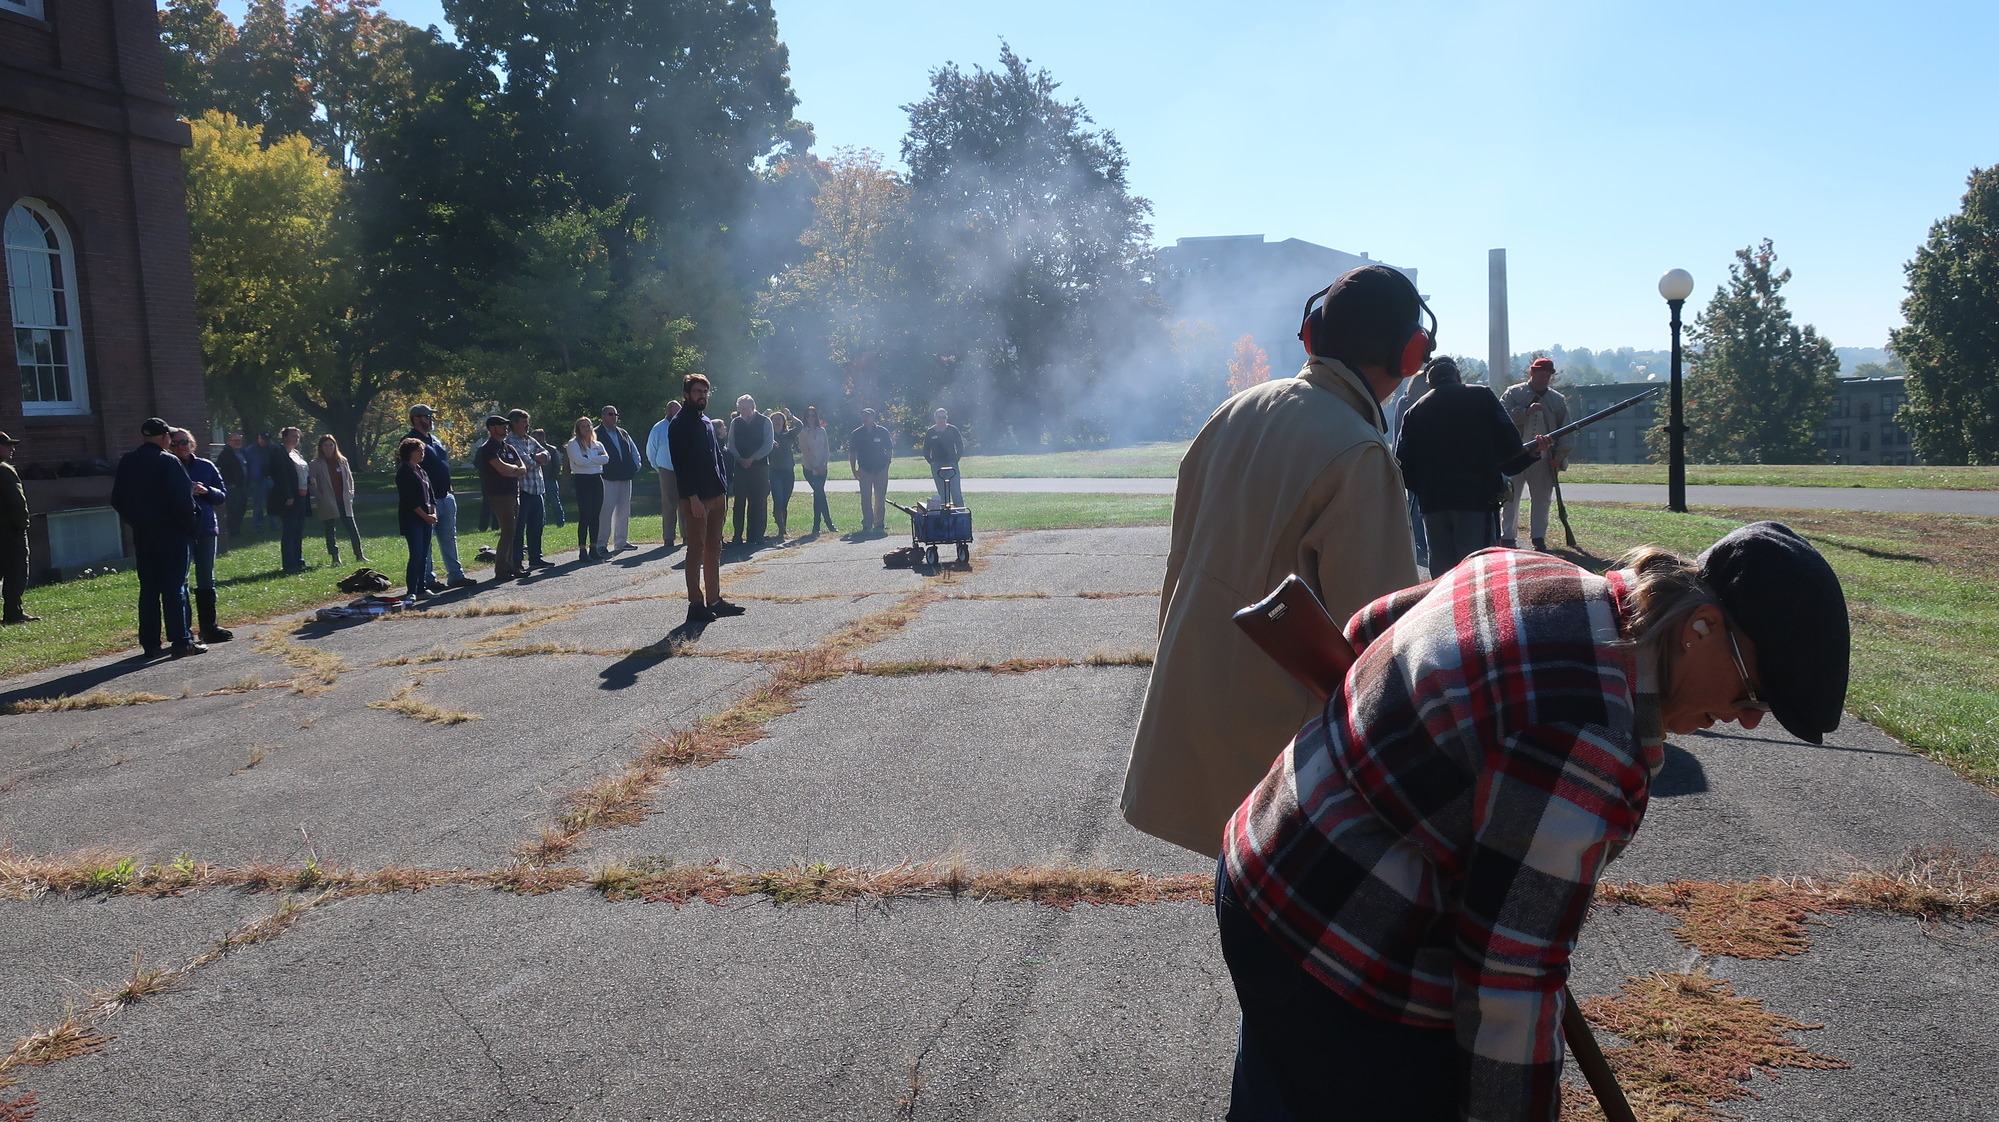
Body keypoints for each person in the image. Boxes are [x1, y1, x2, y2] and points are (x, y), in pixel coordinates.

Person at [1218, 523, 1849, 1121]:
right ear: (1701, 628)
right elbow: (1509, 976)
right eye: (1753, 694)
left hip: (1264, 854)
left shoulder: (1532, 571)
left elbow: (1365, 631)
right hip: (1332, 934)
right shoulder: (1594, 739)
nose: (1747, 720)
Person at [1123, 264, 1429, 858]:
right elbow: (1380, 638)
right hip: (1278, 751)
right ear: (1410, 352)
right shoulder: (1359, 453)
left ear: (1311, 336)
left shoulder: (1234, 411)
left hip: (1198, 709)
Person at [1396, 356, 1549, 573]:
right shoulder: (1481, 395)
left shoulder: (1414, 412)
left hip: (1433, 506)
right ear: (1457, 376)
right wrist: (1531, 453)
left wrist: (1425, 489)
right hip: (1475, 501)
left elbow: (1404, 465)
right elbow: (1510, 449)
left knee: (1443, 578)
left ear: (1429, 382)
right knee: (1477, 574)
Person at [111, 418, 201, 657]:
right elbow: (182, 500)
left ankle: (150, 642)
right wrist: (190, 525)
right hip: (171, 533)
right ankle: (181, 640)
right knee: (175, 587)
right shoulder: (168, 461)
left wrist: (137, 522)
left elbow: (117, 500)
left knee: (149, 589)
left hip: (143, 534)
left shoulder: (128, 461)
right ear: (164, 437)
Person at [667, 373, 744, 623]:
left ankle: (715, 600)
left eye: (705, 391)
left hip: (716, 494)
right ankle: (695, 604)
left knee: (715, 548)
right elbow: (681, 466)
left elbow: (717, 456)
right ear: (687, 394)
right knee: (696, 550)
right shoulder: (679, 424)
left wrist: (723, 487)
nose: (702, 395)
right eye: (697, 391)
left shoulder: (707, 421)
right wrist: (693, 498)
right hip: (696, 499)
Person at [1500, 356, 1574, 551]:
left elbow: (1566, 429)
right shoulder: (1514, 393)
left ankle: (1538, 538)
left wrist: (1560, 455)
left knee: (1541, 499)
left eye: (1548, 376)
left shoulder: (1556, 400)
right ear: (1532, 373)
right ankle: (1507, 537)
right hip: (1515, 456)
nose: (1544, 379)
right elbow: (1501, 417)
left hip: (1544, 457)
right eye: (1541, 375)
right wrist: (1526, 411)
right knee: (1510, 498)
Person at [168, 428, 233, 644]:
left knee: (206, 578)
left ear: (192, 443)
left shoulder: (206, 466)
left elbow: (222, 495)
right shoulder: (167, 466)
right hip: (180, 530)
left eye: (184, 441)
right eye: (174, 444)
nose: (180, 447)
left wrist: (207, 491)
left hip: (205, 528)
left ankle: (209, 627)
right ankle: (184, 631)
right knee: (181, 580)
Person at [402, 405, 473, 589]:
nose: (431, 419)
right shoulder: (411, 442)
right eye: (427, 416)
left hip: (445, 496)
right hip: (427, 499)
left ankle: (456, 575)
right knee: (427, 542)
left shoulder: (435, 439)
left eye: (431, 416)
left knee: (449, 537)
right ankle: (428, 580)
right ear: (416, 418)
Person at [476, 414, 527, 580]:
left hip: (514, 493)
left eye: (506, 424)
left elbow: (523, 467)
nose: (505, 427)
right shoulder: (488, 448)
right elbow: (501, 468)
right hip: (499, 495)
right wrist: (513, 470)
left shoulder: (508, 447)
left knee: (514, 531)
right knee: (508, 531)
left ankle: (511, 565)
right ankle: (501, 570)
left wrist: (512, 469)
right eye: (501, 425)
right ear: (491, 428)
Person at [505, 409, 553, 570]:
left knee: (536, 526)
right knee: (519, 528)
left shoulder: (530, 439)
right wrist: (535, 458)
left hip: (538, 490)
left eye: (527, 421)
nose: (527, 425)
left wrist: (538, 457)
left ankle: (536, 557)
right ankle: (517, 561)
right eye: (524, 422)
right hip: (522, 490)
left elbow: (547, 454)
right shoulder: (510, 441)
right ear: (514, 423)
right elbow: (525, 463)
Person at [309, 435, 367, 566]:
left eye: (331, 445)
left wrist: (350, 494)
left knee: (352, 528)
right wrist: (319, 496)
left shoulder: (342, 461)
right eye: (325, 445)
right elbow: (312, 482)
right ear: (321, 447)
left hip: (344, 498)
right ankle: (335, 557)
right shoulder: (316, 463)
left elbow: (350, 479)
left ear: (335, 446)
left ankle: (359, 554)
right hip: (328, 500)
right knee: (330, 529)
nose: (329, 448)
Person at [394, 437, 439, 602]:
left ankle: (422, 587)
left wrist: (433, 513)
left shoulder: (421, 470)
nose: (422, 454)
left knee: (424, 554)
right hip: (413, 519)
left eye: (423, 451)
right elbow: (409, 500)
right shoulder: (404, 472)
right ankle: (411, 589)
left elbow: (431, 495)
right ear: (409, 452)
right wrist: (424, 515)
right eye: (419, 451)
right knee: (416, 554)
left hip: (426, 518)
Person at [0, 431, 37, 624]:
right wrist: (23, 523)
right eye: (8, 445)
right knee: (16, 571)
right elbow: (17, 501)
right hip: (10, 530)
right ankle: (13, 613)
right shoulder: (5, 470)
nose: (12, 449)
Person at [729, 394, 774, 546]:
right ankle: (737, 535)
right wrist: (740, 459)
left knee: (759, 502)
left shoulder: (765, 421)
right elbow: (731, 444)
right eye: (740, 409)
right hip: (740, 467)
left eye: (745, 409)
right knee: (739, 502)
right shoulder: (736, 422)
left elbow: (768, 444)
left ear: (752, 407)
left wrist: (753, 458)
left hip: (759, 467)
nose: (742, 412)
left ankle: (757, 535)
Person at [596, 405, 641, 553]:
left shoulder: (623, 433)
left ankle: (621, 542)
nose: (613, 416)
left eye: (615, 414)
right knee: (605, 511)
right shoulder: (596, 433)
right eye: (610, 414)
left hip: (625, 478)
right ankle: (601, 544)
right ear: (603, 416)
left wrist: (635, 466)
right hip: (607, 479)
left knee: (623, 511)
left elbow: (633, 451)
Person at [268, 427, 312, 572]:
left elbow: (302, 471)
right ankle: (289, 563)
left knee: (298, 530)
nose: (296, 438)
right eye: (293, 436)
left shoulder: (296, 453)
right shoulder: (279, 453)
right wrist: (288, 495)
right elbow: (281, 476)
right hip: (289, 497)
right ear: (285, 437)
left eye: (298, 436)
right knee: (290, 530)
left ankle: (299, 560)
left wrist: (310, 480)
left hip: (302, 495)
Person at [567, 415, 610, 559]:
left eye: (588, 425)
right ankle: (582, 550)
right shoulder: (574, 444)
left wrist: (589, 459)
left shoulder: (597, 444)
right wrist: (595, 460)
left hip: (597, 478)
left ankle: (594, 547)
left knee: (595, 515)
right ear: (578, 429)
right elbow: (578, 461)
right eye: (583, 426)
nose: (587, 428)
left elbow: (606, 459)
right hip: (583, 480)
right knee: (585, 514)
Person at [849, 408, 893, 534]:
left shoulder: (882, 432)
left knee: (880, 497)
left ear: (873, 417)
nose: (865, 418)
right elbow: (852, 453)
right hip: (864, 469)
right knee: (865, 497)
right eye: (863, 416)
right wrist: (853, 469)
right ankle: (867, 523)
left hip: (881, 468)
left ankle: (879, 523)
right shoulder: (856, 433)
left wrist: (887, 464)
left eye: (867, 416)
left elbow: (889, 449)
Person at [647, 400, 683, 550]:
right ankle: (669, 537)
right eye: (675, 411)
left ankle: (687, 535)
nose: (678, 414)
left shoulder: (684, 425)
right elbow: (651, 450)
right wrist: (659, 468)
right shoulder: (659, 428)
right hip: (666, 470)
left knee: (685, 503)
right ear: (669, 412)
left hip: (683, 470)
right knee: (669, 504)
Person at [798, 405, 836, 535]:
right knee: (820, 493)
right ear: (805, 417)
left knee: (818, 495)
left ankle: (816, 526)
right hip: (809, 468)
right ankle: (829, 523)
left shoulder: (822, 431)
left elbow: (826, 449)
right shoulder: (803, 432)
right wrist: (816, 466)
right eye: (808, 415)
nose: (810, 418)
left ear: (816, 417)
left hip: (822, 468)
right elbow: (805, 451)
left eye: (813, 415)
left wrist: (823, 465)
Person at [923, 407, 964, 506]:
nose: (941, 419)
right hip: (937, 464)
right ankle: (945, 516)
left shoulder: (952, 430)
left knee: (956, 491)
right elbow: (926, 449)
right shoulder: (931, 432)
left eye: (943, 417)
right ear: (935, 418)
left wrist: (956, 460)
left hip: (951, 464)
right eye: (939, 417)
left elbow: (960, 446)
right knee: (942, 492)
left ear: (946, 418)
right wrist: (931, 461)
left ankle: (960, 514)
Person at [768, 409, 798, 541]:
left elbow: (801, 426)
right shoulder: (768, 435)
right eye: (774, 419)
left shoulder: (789, 434)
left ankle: (783, 527)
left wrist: (791, 415)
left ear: (784, 421)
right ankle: (781, 530)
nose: (777, 421)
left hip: (788, 471)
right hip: (775, 471)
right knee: (778, 499)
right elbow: (758, 430)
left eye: (780, 419)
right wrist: (763, 415)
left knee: (785, 501)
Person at [217, 433, 252, 537]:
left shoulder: (243, 453)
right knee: (233, 510)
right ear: (229, 442)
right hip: (233, 488)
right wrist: (228, 484)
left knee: (242, 508)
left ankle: (237, 528)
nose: (238, 443)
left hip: (243, 486)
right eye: (235, 441)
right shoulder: (225, 454)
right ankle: (232, 531)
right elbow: (220, 470)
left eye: (239, 441)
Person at [535, 427, 566, 530]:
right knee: (540, 504)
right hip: (538, 480)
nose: (536, 439)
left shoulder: (551, 449)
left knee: (555, 502)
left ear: (543, 437)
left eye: (538, 436)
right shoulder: (533, 449)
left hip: (549, 480)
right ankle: (541, 523)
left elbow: (557, 465)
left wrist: (553, 477)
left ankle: (560, 521)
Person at [250, 432, 275, 533]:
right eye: (263, 439)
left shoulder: (274, 449)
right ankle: (257, 526)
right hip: (258, 481)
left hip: (272, 479)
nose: (264, 441)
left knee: (273, 504)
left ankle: (274, 524)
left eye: (266, 439)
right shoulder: (251, 450)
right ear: (258, 438)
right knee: (258, 505)